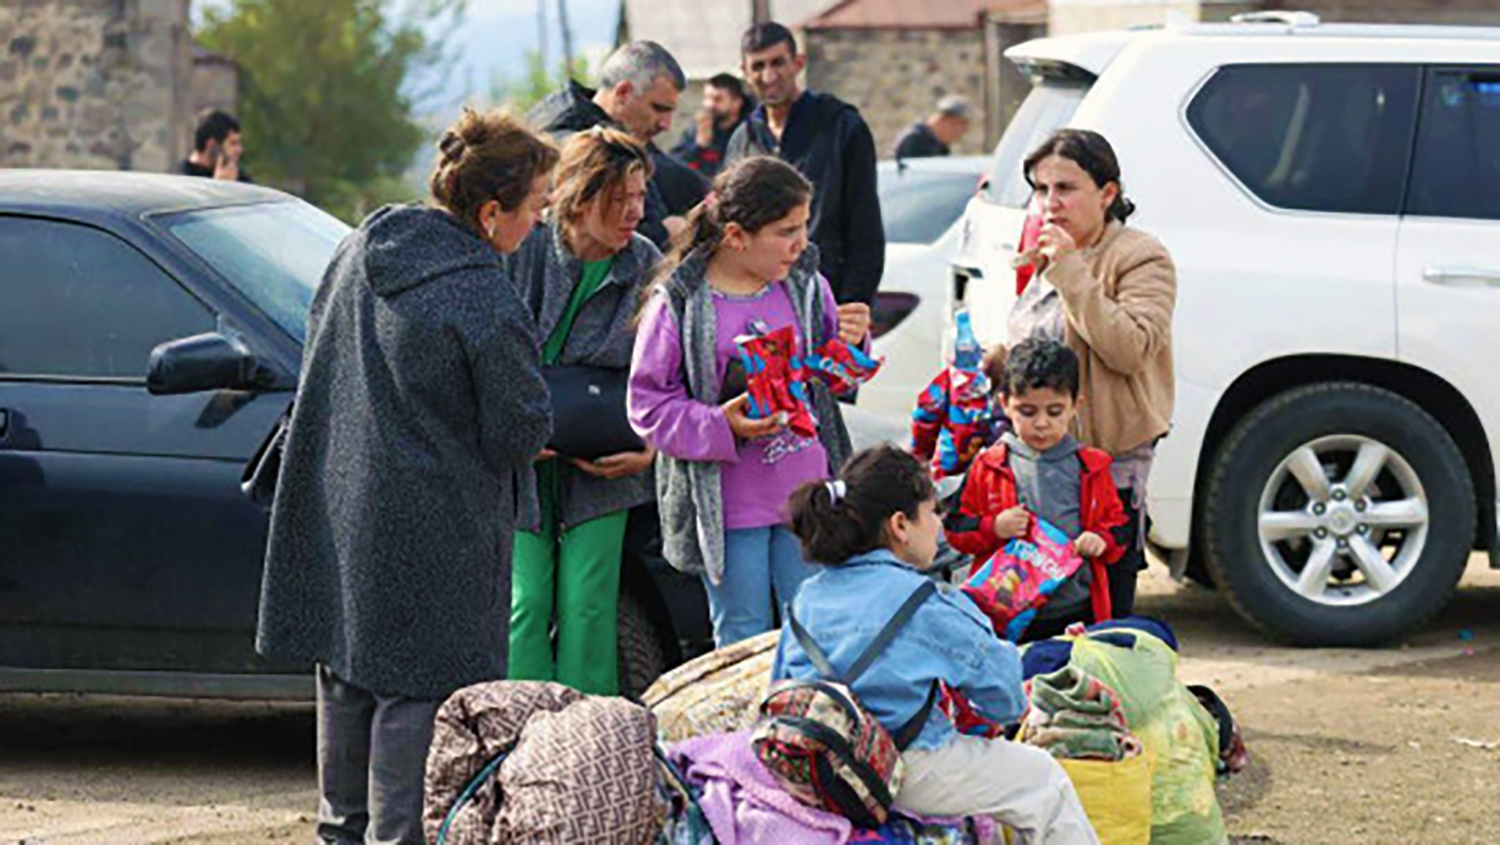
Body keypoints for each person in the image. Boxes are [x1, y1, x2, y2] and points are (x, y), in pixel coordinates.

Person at [255, 109, 557, 845]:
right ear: (491, 213)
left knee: (348, 671)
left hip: (345, 503)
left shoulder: (359, 247)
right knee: (415, 694)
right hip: (439, 526)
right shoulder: (482, 294)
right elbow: (520, 428)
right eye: (536, 207)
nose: (540, 224)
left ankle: (341, 835)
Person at [773, 445, 1100, 844]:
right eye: (932, 512)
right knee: (1043, 780)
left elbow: (781, 685)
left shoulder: (806, 596)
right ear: (900, 525)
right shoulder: (925, 602)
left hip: (814, 767)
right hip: (901, 770)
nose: (939, 526)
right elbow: (1006, 702)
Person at [627, 156, 871, 648]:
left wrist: (854, 342)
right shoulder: (680, 303)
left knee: (814, 629)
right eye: (786, 231)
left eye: (804, 226)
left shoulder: (807, 286)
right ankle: (753, 707)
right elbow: (647, 406)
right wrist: (721, 423)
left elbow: (833, 379)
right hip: (729, 507)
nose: (801, 244)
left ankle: (809, 703)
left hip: (806, 494)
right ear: (736, 236)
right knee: (741, 636)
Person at [506, 127, 660, 696]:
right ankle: (520, 728)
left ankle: (585, 732)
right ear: (577, 196)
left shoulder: (645, 263)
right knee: (525, 602)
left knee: (589, 605)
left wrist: (651, 447)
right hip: (517, 462)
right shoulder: (524, 249)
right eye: (618, 199)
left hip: (606, 464)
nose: (634, 213)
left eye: (639, 197)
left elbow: (666, 370)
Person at [1007, 129, 1176, 618]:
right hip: (1035, 475)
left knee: (1100, 626)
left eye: (1065, 188)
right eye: (1041, 190)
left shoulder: (1140, 256)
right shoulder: (1045, 256)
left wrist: (1070, 270)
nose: (1051, 203)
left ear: (1107, 193)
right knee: (1035, 625)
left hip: (1104, 477)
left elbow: (1130, 349)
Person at [944, 338, 1129, 640]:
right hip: (1007, 614)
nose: (1042, 423)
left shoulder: (1092, 467)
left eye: (1055, 412)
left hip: (1076, 611)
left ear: (1075, 406)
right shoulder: (989, 465)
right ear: (1005, 404)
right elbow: (955, 529)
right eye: (1027, 412)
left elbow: (1119, 527)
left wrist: (1101, 539)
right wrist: (994, 527)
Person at [725, 22, 884, 306]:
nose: (769, 75)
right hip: (760, 305)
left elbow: (865, 227)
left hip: (827, 295)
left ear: (798, 63)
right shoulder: (743, 140)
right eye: (758, 66)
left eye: (777, 63)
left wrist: (852, 304)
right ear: (745, 72)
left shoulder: (841, 127)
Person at [530, 41, 707, 248]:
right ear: (623, 93)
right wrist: (664, 233)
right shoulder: (578, 150)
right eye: (658, 108)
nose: (665, 124)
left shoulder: (625, 137)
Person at [671, 72, 752, 177]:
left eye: (718, 99)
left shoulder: (749, 131)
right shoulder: (699, 129)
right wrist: (699, 146)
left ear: (736, 102)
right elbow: (675, 163)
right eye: (707, 98)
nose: (709, 105)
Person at [181, 108, 251, 182]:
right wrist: (222, 185)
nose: (239, 150)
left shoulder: (235, 175)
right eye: (233, 144)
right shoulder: (183, 180)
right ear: (212, 144)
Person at [893, 94, 972, 160]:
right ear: (944, 121)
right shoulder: (914, 140)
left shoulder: (939, 144)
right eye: (960, 124)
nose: (963, 130)